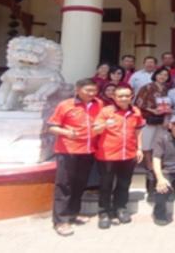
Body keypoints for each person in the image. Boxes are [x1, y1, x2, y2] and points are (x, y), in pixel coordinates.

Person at [47, 79, 104, 236]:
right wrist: (67, 132)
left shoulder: (98, 104)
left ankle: (73, 213)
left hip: (88, 151)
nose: (91, 94)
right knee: (64, 185)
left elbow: (101, 122)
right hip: (68, 151)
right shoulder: (65, 105)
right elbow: (52, 127)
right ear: (77, 90)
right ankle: (60, 221)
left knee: (80, 185)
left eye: (94, 90)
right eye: (88, 90)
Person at [93, 85, 145, 229]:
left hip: (128, 154)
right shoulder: (106, 111)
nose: (123, 99)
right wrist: (104, 124)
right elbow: (95, 130)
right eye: (120, 96)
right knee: (106, 185)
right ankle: (104, 212)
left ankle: (120, 208)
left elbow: (138, 131)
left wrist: (139, 148)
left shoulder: (135, 111)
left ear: (131, 96)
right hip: (107, 154)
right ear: (114, 97)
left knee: (124, 183)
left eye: (126, 96)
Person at [134, 67, 172, 194]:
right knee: (147, 144)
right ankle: (149, 168)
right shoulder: (147, 87)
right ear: (155, 75)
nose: (162, 77)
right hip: (148, 119)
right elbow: (138, 103)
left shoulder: (167, 89)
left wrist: (167, 115)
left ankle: (157, 167)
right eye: (160, 74)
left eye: (165, 75)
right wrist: (152, 110)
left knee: (158, 144)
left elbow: (170, 104)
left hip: (162, 121)